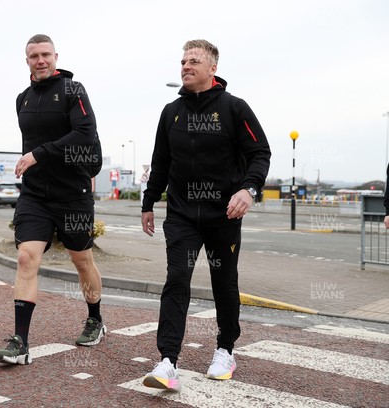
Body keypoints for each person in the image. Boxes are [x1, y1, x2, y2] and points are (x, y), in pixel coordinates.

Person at [141, 39, 271, 390]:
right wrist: (148, 202)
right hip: (182, 215)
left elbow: (260, 152)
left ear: (212, 68)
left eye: (193, 60)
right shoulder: (171, 112)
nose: (185, 66)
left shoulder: (234, 109)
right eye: (182, 61)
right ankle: (168, 361)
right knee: (176, 279)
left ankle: (226, 349)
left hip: (223, 216)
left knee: (223, 283)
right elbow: (161, 163)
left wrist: (249, 189)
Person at [0, 34, 106, 365]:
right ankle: (20, 343)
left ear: (56, 56)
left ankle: (95, 318)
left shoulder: (74, 91)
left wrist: (38, 155)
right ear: (26, 60)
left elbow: (84, 134)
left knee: (81, 260)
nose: (40, 60)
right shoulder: (22, 99)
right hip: (35, 194)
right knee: (26, 258)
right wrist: (35, 162)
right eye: (33, 56)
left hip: (72, 193)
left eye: (45, 54)